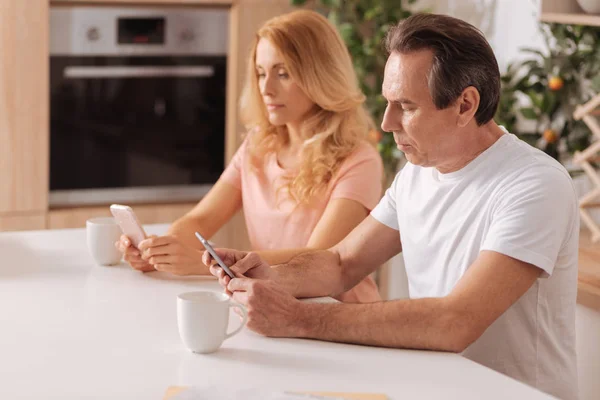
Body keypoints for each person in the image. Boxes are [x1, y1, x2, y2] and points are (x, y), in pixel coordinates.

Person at [206, 13, 579, 400]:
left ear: (466, 105)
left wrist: (297, 317)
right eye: (388, 102)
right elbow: (341, 263)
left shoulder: (533, 184)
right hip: (431, 388)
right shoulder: (417, 173)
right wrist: (271, 274)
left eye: (406, 106)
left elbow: (455, 321)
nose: (387, 123)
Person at [116, 10, 384, 303]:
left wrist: (204, 262)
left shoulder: (360, 160)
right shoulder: (258, 145)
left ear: (320, 75)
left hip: (339, 318)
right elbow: (201, 218)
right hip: (274, 308)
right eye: (260, 73)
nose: (266, 88)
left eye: (283, 73)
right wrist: (159, 251)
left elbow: (320, 259)